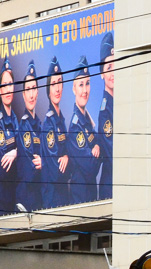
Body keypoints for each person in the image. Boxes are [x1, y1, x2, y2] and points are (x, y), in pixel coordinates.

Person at [67, 55, 100, 204]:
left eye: (87, 83)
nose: (85, 90)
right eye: (81, 85)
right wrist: (97, 150)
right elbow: (91, 166)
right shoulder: (75, 127)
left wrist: (98, 147)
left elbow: (102, 151)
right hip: (80, 199)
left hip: (92, 195)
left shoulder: (87, 121)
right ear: (74, 88)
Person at [0, 59, 19, 216]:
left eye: (10, 84)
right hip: (2, 205)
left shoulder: (15, 120)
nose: (7, 89)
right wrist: (20, 153)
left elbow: (24, 154)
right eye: (4, 85)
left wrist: (15, 153)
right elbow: (4, 170)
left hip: (14, 201)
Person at [40, 56, 70, 209]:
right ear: (48, 90)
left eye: (60, 83)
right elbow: (57, 171)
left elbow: (67, 153)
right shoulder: (48, 124)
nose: (57, 89)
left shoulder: (60, 120)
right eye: (53, 84)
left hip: (63, 195)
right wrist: (70, 162)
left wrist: (66, 156)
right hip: (53, 199)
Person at [15, 60, 43, 212]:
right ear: (23, 94)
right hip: (26, 201)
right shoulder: (24, 127)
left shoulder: (40, 125)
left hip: (38, 200)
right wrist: (48, 165)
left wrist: (44, 162)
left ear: (38, 92)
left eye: (34, 89)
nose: (31, 94)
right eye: (28, 90)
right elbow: (30, 170)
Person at [96, 31, 114, 200]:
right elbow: (113, 151)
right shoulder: (105, 111)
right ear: (102, 74)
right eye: (109, 68)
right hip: (111, 188)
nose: (113, 72)